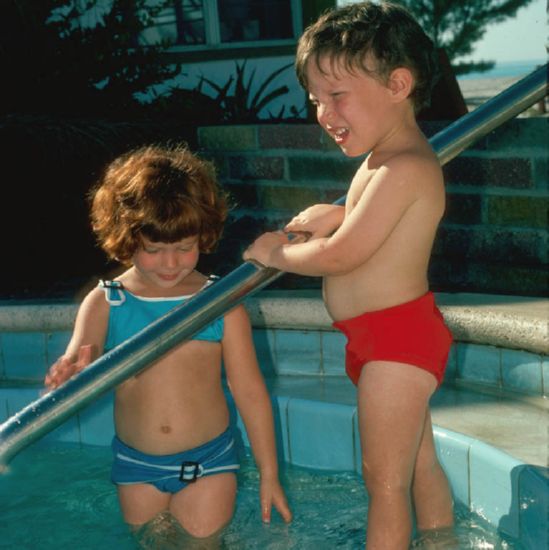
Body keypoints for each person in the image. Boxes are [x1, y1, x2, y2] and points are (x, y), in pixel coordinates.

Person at [243, 2, 454, 548]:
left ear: (398, 84)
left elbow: (343, 257)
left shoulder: (404, 165)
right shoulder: (383, 160)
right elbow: (370, 228)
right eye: (315, 99)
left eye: (337, 95)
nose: (322, 111)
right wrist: (333, 215)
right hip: (384, 338)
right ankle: (440, 539)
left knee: (383, 483)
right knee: (417, 465)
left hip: (397, 341)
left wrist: (275, 254)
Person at [45, 144, 292, 544]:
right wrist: (71, 370)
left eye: (184, 248)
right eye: (155, 250)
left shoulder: (219, 304)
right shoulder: (107, 301)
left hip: (208, 461)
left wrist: (269, 474)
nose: (172, 263)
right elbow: (80, 359)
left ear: (204, 234)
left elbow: (249, 390)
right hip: (135, 464)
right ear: (127, 239)